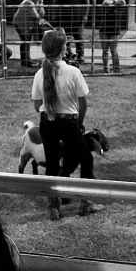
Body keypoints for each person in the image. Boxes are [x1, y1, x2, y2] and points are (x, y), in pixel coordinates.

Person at [31, 28, 103, 220]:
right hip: (69, 123)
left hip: (47, 122)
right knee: (86, 159)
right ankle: (86, 203)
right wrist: (79, 123)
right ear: (64, 48)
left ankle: (54, 207)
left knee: (52, 165)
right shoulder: (73, 72)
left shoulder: (40, 74)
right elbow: (83, 104)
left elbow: (37, 105)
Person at [53, 0, 89, 64]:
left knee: (79, 37)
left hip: (77, 18)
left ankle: (80, 55)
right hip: (64, 18)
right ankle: (67, 54)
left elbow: (87, 2)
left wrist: (85, 15)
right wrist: (55, 14)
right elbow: (56, 1)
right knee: (65, 38)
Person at [97, 0, 128, 74]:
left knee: (114, 51)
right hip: (104, 30)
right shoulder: (106, 2)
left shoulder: (118, 4)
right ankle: (106, 69)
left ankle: (116, 69)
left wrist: (115, 2)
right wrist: (114, 3)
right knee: (105, 50)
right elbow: (106, 3)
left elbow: (123, 2)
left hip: (114, 30)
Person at [13, 0, 46, 67]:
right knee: (25, 41)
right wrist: (40, 12)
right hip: (20, 24)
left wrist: (41, 4)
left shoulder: (39, 2)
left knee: (27, 41)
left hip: (28, 24)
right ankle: (25, 61)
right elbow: (36, 16)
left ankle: (26, 61)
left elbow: (42, 14)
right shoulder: (28, 2)